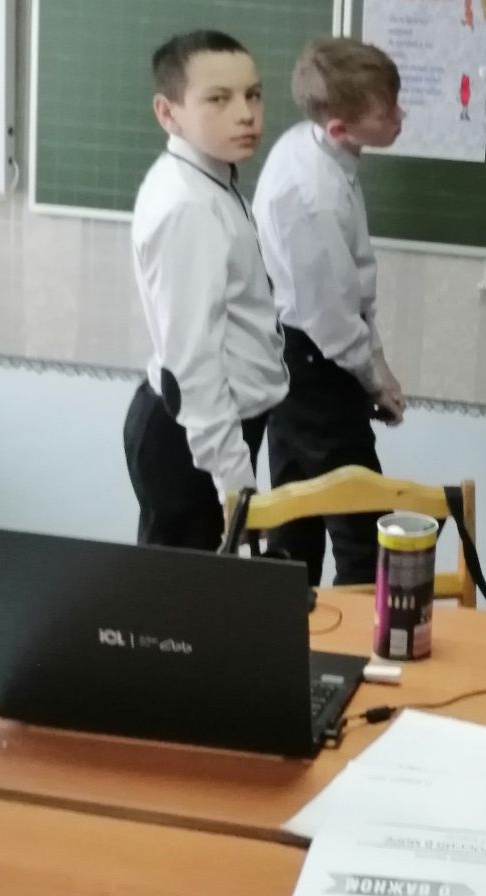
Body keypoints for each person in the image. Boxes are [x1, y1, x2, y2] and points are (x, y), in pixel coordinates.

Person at [124, 30, 287, 550]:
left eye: (253, 95)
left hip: (211, 432)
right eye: (219, 99)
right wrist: (236, 486)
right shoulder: (188, 207)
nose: (246, 114)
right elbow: (193, 366)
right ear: (167, 113)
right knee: (180, 598)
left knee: (198, 593)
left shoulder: (210, 181)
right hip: (194, 442)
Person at [253, 37, 406, 585]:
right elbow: (331, 315)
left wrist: (376, 363)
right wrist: (373, 378)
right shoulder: (311, 192)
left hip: (302, 356)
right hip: (312, 361)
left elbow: (349, 290)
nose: (400, 117)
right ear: (340, 127)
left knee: (295, 523)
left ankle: (290, 632)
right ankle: (358, 640)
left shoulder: (315, 145)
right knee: (364, 534)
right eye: (386, 112)